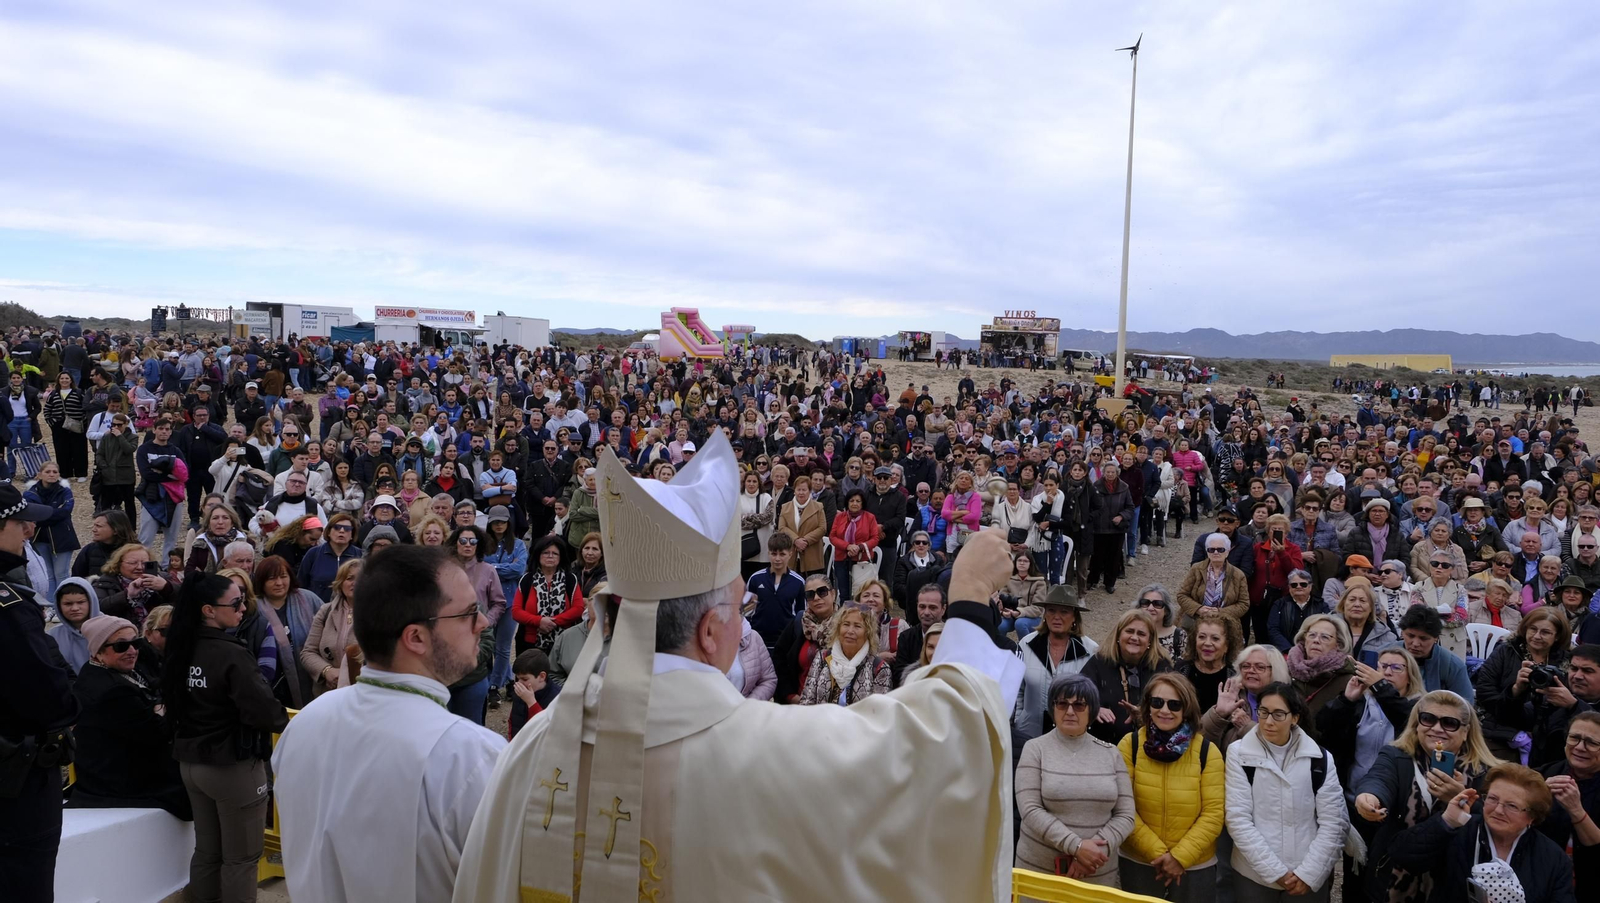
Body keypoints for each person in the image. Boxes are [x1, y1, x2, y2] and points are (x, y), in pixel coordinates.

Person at [454, 433, 1026, 902]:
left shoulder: (537, 749)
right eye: (737, 605)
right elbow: (947, 739)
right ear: (710, 631)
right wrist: (971, 597)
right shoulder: (777, 751)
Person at [273, 545, 508, 903]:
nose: (483, 623)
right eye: (468, 613)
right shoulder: (471, 757)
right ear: (416, 637)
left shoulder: (305, 724)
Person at [161, 573, 288, 903]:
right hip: (231, 765)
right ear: (208, 610)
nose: (243, 608)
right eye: (235, 603)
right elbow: (265, 711)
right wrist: (280, 717)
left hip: (191, 762)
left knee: (208, 850)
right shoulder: (230, 653)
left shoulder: (180, 645)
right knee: (242, 857)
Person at [0, 483, 78, 901]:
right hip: (17, 775)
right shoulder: (10, 607)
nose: (28, 530)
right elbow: (49, 696)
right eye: (20, 522)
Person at [1353, 690, 1500, 902]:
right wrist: (1369, 796)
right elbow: (1379, 778)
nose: (1437, 728)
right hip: (1394, 877)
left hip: (1453, 881)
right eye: (1428, 719)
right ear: (1417, 724)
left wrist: (1460, 800)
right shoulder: (1396, 756)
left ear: (1466, 731)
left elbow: (1494, 822)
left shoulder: (1485, 772)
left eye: (1449, 723)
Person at [1224, 682, 1348, 902]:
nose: (1268, 721)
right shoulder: (1238, 753)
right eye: (1263, 712)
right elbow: (1238, 818)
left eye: (1279, 714)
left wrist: (1309, 873)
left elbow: (1334, 821)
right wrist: (1276, 872)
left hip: (1306, 874)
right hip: (1254, 875)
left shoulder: (1319, 758)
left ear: (1295, 718)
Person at [1386, 763, 1575, 903]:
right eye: (1492, 799)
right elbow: (1402, 856)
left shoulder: (1553, 858)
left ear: (1532, 816)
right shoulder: (1458, 830)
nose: (1498, 810)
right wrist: (1446, 823)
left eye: (1511, 806)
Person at [1015, 673, 1136, 886]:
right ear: (1053, 708)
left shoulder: (1111, 753)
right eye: (1062, 704)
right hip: (1041, 875)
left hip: (1097, 873)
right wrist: (1077, 847)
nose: (1070, 711)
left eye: (1079, 705)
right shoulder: (1034, 749)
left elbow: (1126, 815)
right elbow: (1030, 810)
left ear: (1092, 710)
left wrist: (1093, 853)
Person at [1113, 672, 1226, 901]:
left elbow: (1214, 813)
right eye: (1157, 702)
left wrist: (1179, 858)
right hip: (1140, 862)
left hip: (1194, 866)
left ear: (1187, 708)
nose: (1165, 710)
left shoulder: (1207, 751)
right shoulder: (1130, 745)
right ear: (1148, 705)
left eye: (1175, 704)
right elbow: (1122, 807)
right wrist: (1159, 854)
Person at [65, 614, 190, 817]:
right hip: (120, 780)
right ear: (99, 651)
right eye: (121, 646)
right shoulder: (112, 690)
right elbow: (159, 732)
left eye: (136, 643)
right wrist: (162, 709)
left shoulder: (99, 670)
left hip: (110, 770)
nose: (132, 651)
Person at [1315, 646, 1423, 792]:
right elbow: (1324, 728)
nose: (1387, 672)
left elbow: (1405, 718)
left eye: (1397, 668)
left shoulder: (1419, 705)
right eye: (1382, 666)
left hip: (1395, 793)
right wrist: (1346, 701)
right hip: (1351, 791)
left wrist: (1380, 686)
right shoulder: (1361, 701)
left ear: (1410, 676)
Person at [1475, 607, 1573, 763]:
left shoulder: (1566, 661)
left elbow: (1572, 702)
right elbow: (1485, 692)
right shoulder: (1506, 651)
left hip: (1549, 733)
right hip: (1500, 726)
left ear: (1557, 636)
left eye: (1545, 632)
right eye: (1532, 629)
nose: (1537, 636)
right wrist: (1515, 691)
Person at [1014, 585, 1100, 745]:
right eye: (1051, 610)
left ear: (1074, 617)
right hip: (1028, 736)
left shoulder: (1090, 651)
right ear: (1045, 614)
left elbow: (1094, 697)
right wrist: (1019, 719)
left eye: (1064, 612)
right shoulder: (1026, 644)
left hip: (1071, 738)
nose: (1056, 617)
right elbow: (1018, 688)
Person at [1081, 609, 1171, 744]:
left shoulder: (1162, 667)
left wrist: (1146, 715)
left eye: (1141, 634)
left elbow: (1176, 706)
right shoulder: (1100, 662)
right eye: (1129, 631)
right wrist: (1094, 708)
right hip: (1103, 745)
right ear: (1118, 635)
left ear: (1150, 641)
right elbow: (1077, 695)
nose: (1134, 637)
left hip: (1151, 745)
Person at [1537, 711, 1600, 896]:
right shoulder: (1543, 775)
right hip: (1543, 880)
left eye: (1591, 743)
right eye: (1574, 738)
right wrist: (1536, 796)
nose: (1580, 747)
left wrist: (1576, 810)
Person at [253, 554, 323, 707]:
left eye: (283, 576)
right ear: (261, 581)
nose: (279, 583)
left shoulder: (308, 599)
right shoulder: (253, 608)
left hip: (310, 677)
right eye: (271, 578)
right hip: (273, 683)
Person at [1201, 644, 1291, 751]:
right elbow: (1202, 742)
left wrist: (1247, 726)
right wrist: (1218, 714)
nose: (1251, 670)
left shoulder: (1286, 702)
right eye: (1246, 666)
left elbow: (1283, 746)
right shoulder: (1232, 697)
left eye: (1260, 667)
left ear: (1275, 671)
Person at [1286, 613, 1357, 742]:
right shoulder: (1285, 671)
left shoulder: (1348, 681)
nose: (1316, 640)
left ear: (1338, 644)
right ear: (1304, 639)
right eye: (1312, 635)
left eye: (1325, 637)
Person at [510, 533, 584, 654]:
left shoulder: (570, 579)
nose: (550, 556)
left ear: (560, 557)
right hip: (530, 644)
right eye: (546, 553)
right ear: (538, 555)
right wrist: (539, 621)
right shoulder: (527, 579)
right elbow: (516, 611)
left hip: (563, 643)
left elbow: (578, 608)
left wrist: (552, 622)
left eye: (555, 553)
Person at [300, 558, 363, 698]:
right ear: (340, 583)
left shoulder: (378, 614)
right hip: (328, 694)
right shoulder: (325, 611)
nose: (354, 583)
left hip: (361, 693)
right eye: (349, 578)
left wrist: (346, 675)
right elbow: (308, 652)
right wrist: (327, 671)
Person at [773, 573, 837, 703]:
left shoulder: (846, 625)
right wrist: (790, 695)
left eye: (822, 591)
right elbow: (779, 660)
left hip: (835, 707)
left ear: (833, 594)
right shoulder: (799, 623)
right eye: (810, 594)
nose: (816, 598)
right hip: (800, 705)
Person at [1399, 605, 1475, 702]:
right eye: (1410, 636)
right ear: (1402, 633)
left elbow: (1465, 704)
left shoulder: (1452, 665)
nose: (1415, 644)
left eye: (1423, 638)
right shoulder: (1384, 656)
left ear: (1436, 638)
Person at [746, 531, 806, 649]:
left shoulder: (798, 582)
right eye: (774, 554)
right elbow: (747, 612)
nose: (777, 559)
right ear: (768, 553)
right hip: (757, 642)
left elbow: (801, 614)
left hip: (786, 643)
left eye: (782, 554)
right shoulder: (755, 579)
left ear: (790, 554)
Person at [1177, 532, 1251, 627]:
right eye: (1211, 549)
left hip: (1225, 623)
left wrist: (1221, 612)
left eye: (1220, 549)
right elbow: (1182, 595)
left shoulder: (1238, 575)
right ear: (1207, 552)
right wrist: (1198, 609)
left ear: (1227, 552)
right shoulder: (1196, 569)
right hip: (1194, 622)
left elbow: (1244, 604)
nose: (1216, 552)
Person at [1179, 609, 1243, 714]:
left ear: (1227, 645)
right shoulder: (1182, 670)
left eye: (1215, 638)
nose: (1207, 643)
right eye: (1202, 637)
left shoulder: (1234, 676)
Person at [295, 512, 360, 604]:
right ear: (328, 532)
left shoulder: (360, 556)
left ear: (352, 534)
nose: (342, 531)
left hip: (351, 609)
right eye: (337, 527)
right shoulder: (313, 554)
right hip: (317, 609)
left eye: (347, 529)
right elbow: (301, 586)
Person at [829, 488, 880, 599]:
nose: (854, 503)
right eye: (851, 501)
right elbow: (832, 537)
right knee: (844, 593)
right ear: (847, 502)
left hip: (862, 560)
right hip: (841, 559)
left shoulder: (870, 517)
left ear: (862, 503)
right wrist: (847, 546)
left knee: (862, 593)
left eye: (858, 501)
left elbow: (875, 538)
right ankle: (845, 610)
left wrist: (859, 547)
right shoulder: (840, 517)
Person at [999, 549, 1046, 637]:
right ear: (1015, 562)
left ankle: (1026, 645)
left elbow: (1038, 608)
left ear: (1030, 564)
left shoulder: (1039, 582)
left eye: (1025, 561)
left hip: (1033, 617)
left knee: (1020, 623)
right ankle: (1000, 645)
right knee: (1000, 624)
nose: (1022, 563)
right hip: (1011, 615)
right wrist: (1003, 612)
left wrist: (1020, 612)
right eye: (1019, 560)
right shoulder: (1008, 579)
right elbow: (1001, 601)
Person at [1135, 584, 1188, 661]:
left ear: (1166, 610)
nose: (1150, 608)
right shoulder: (1131, 633)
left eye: (1157, 604)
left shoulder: (1179, 635)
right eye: (1145, 603)